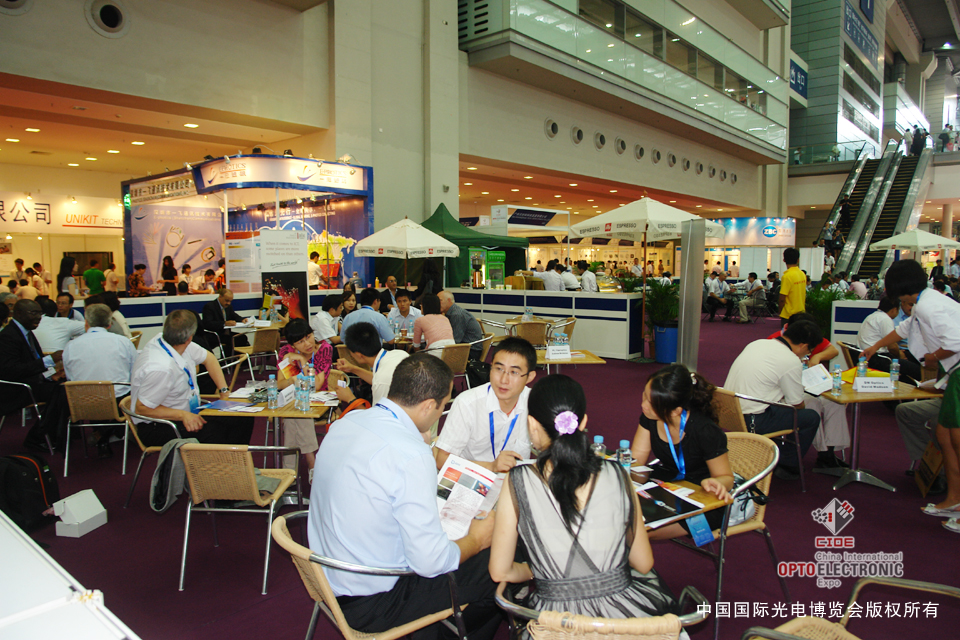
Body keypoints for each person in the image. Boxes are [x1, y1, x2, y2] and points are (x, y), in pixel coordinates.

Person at [310, 353, 500, 640]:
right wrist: (476, 540)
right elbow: (431, 562)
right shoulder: (411, 455)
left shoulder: (347, 422)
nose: (441, 413)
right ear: (428, 406)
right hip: (375, 602)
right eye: (443, 406)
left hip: (330, 577)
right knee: (497, 563)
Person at [488, 374, 683, 627]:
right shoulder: (617, 474)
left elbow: (500, 571)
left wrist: (535, 570)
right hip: (623, 622)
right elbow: (644, 563)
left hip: (556, 624)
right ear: (583, 423)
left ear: (532, 424)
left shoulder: (517, 481)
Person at [861, 260, 960, 527]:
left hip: (957, 371)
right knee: (945, 435)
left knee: (956, 439)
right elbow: (904, 330)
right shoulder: (924, 303)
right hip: (954, 374)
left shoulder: (928, 305)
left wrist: (932, 357)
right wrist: (875, 347)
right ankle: (954, 498)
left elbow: (955, 341)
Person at [632, 365, 733, 539]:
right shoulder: (650, 417)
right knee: (618, 514)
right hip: (669, 485)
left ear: (675, 411)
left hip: (702, 499)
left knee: (634, 533)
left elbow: (726, 477)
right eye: (644, 396)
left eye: (652, 403)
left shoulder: (705, 431)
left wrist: (717, 483)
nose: (643, 405)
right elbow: (636, 462)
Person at [129, 309, 254, 446]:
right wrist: (183, 415)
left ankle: (234, 458)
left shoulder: (171, 341)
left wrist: (224, 391)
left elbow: (209, 358)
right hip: (159, 425)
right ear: (190, 337)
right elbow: (142, 408)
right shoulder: (161, 368)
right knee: (214, 432)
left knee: (243, 416)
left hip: (188, 412)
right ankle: (221, 459)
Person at [724, 319, 823, 480]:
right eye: (809, 351)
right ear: (803, 346)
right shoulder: (791, 360)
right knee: (810, 417)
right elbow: (797, 404)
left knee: (780, 408)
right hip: (752, 420)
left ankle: (769, 454)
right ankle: (787, 464)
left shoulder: (757, 343)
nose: (807, 355)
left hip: (728, 413)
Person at [435, 337, 536, 472]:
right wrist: (491, 466)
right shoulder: (467, 403)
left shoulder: (536, 403)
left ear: (530, 377)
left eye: (514, 372)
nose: (503, 380)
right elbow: (442, 460)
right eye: (498, 369)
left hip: (514, 479)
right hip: (470, 478)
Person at [767, 313, 849, 469]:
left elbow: (833, 351)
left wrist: (817, 357)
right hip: (785, 391)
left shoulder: (809, 336)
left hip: (812, 385)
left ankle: (831, 450)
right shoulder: (774, 341)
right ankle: (823, 451)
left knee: (835, 402)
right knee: (811, 404)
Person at [62, 303, 139, 457]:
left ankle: (101, 434)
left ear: (86, 323)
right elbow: (135, 374)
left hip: (81, 403)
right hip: (117, 403)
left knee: (93, 392)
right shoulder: (123, 342)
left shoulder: (70, 346)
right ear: (110, 323)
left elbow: (70, 378)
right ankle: (107, 434)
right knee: (133, 393)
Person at [1, 300, 68, 452]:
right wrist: (49, 360)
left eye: (40, 313)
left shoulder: (26, 332)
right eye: (34, 313)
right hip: (16, 388)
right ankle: (37, 437)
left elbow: (34, 365)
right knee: (61, 393)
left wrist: (52, 374)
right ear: (18, 314)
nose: (39, 317)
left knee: (66, 386)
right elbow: (11, 370)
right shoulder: (8, 336)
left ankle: (55, 434)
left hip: (32, 382)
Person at [276, 319, 333, 479]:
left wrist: (302, 361)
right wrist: (293, 379)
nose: (307, 343)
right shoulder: (285, 351)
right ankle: (311, 463)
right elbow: (280, 384)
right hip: (294, 400)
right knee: (296, 412)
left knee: (294, 415)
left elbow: (317, 384)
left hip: (320, 400)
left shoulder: (324, 349)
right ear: (292, 345)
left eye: (308, 337)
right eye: (300, 342)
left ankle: (290, 471)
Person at [335, 322, 409, 407]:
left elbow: (377, 416)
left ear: (359, 355)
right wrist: (353, 369)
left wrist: (350, 399)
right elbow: (378, 379)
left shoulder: (381, 381)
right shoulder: (399, 353)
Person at [857, 297, 922, 383]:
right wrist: (900, 355)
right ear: (894, 309)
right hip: (881, 359)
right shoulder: (885, 319)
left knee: (909, 358)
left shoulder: (872, 316)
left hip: (871, 357)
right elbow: (892, 347)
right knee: (917, 371)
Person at [201, 288, 247, 356]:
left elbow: (233, 315)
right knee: (234, 340)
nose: (228, 303)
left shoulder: (228, 307)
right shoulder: (209, 306)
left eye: (230, 301)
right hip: (215, 334)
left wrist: (242, 319)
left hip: (225, 333)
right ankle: (230, 359)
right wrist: (224, 323)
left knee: (242, 337)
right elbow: (208, 323)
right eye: (227, 300)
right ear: (220, 297)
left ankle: (240, 359)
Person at [438, 291, 483, 358]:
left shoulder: (456, 315)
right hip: (466, 347)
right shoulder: (451, 313)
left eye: (440, 300)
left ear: (449, 300)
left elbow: (455, 340)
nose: (437, 303)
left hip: (471, 350)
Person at [778, 247, 805, 325]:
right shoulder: (802, 274)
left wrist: (780, 311)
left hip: (788, 315)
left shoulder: (786, 276)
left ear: (784, 260)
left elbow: (782, 298)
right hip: (801, 312)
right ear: (798, 260)